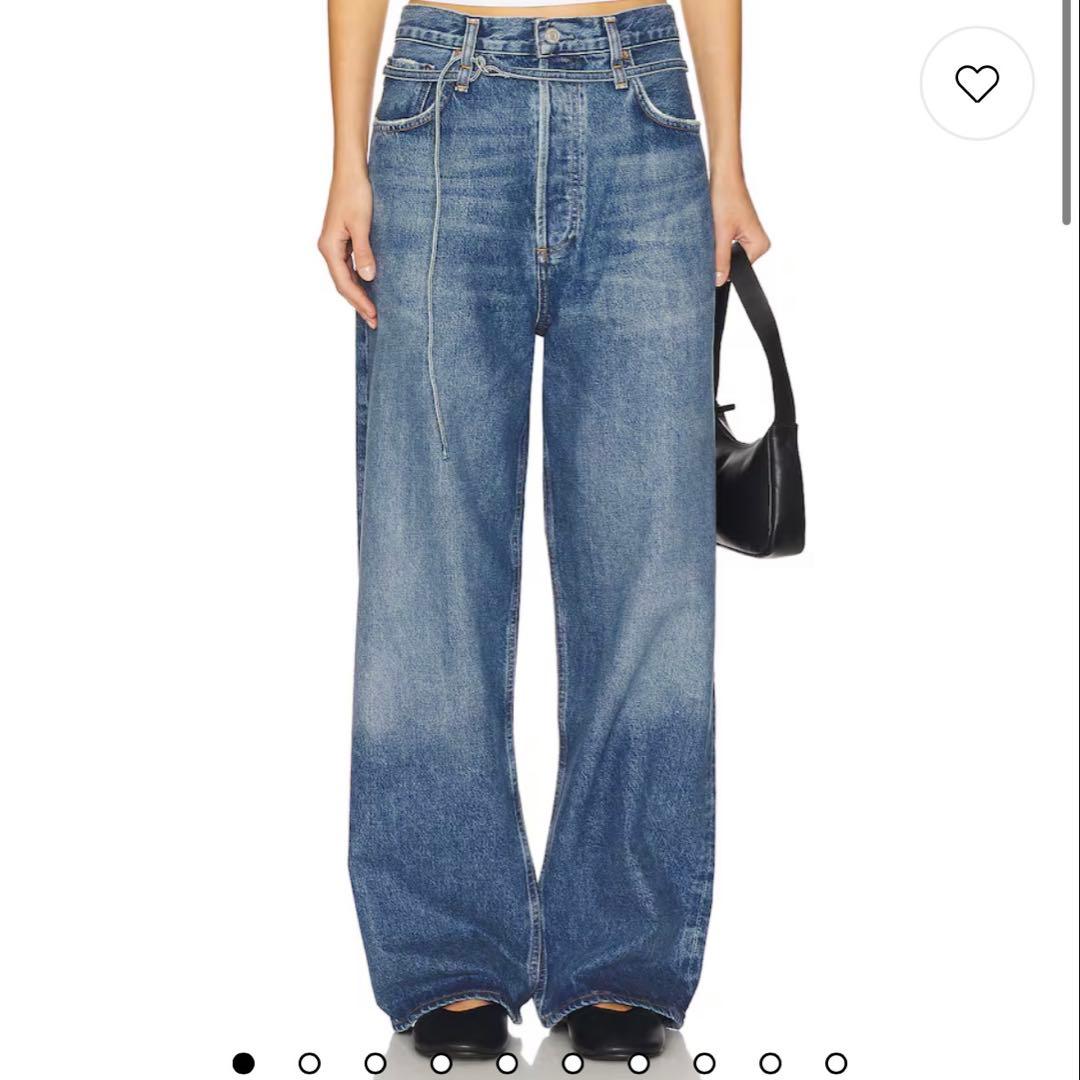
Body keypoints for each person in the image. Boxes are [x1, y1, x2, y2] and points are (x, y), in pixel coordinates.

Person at [318, 0, 769, 1060]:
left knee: (647, 570)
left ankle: (622, 955)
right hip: (442, 109)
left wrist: (730, 161)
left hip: (643, 110)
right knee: (426, 561)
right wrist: (345, 159)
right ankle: (447, 957)